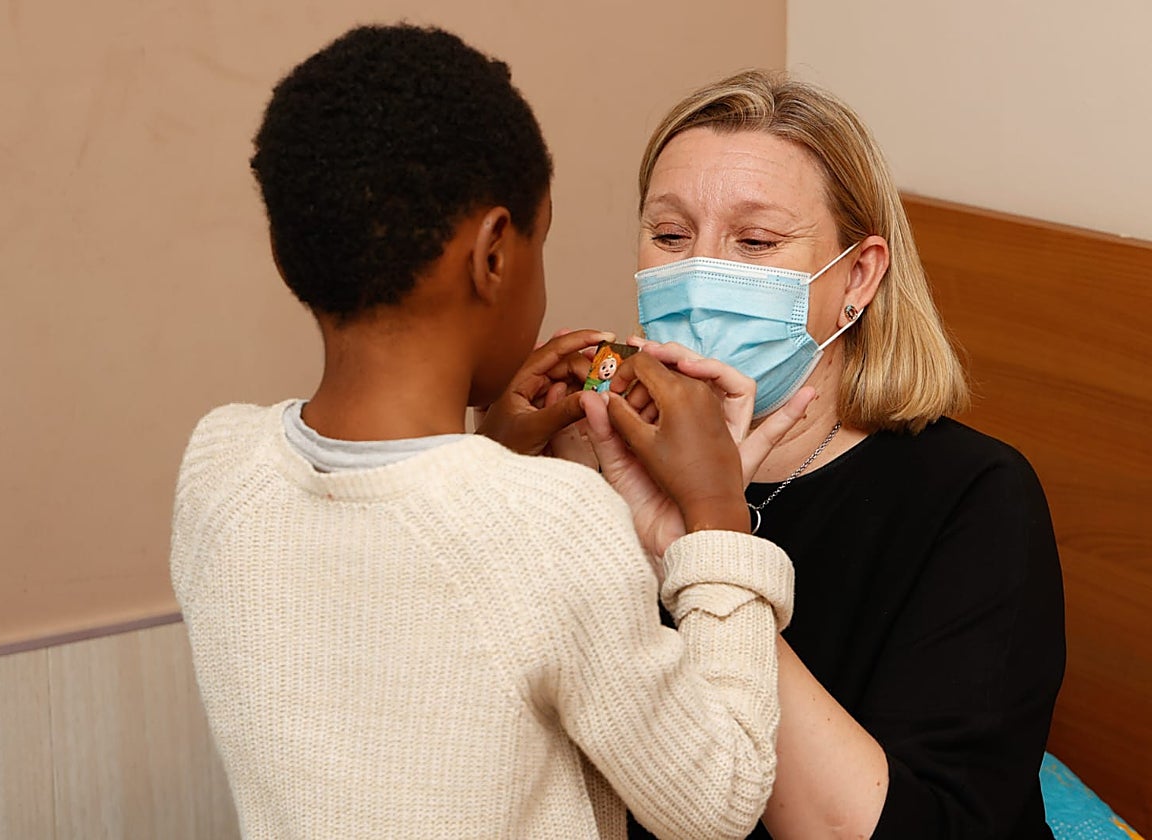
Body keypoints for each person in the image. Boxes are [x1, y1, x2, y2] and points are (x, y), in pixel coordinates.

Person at [170, 26, 810, 840]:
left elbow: (411, 622)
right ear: (495, 256)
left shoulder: (219, 466)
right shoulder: (549, 523)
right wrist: (717, 508)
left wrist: (489, 450)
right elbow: (715, 801)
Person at [578, 70, 1065, 839]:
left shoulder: (974, 495)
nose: (701, 276)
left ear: (858, 277)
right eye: (670, 235)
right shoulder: (597, 464)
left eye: (757, 241)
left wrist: (712, 545)